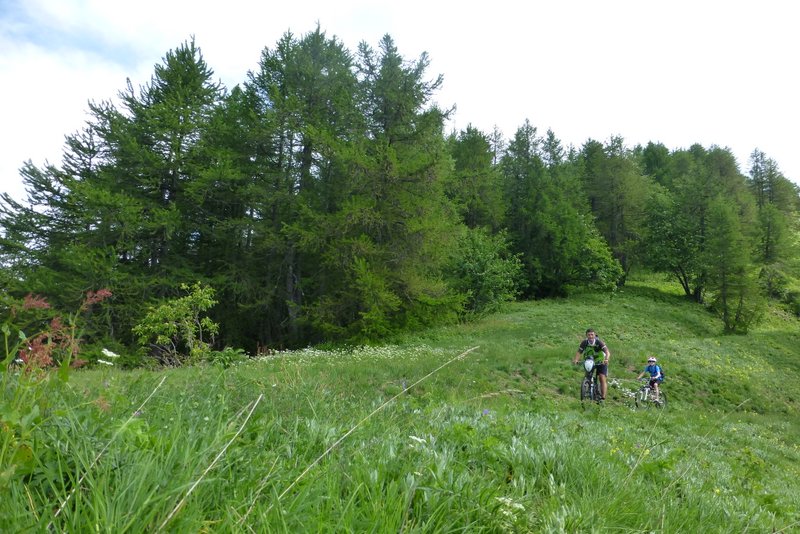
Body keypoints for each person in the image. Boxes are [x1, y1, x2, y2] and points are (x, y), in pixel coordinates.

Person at [573, 328, 611, 400]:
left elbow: (607, 352)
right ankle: (587, 389)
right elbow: (579, 352)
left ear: (594, 335)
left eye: (592, 335)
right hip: (589, 361)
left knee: (601, 377)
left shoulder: (599, 342)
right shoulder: (584, 343)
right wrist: (576, 360)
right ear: (586, 336)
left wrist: (606, 359)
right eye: (589, 335)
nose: (590, 336)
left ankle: (603, 397)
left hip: (601, 361)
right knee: (588, 376)